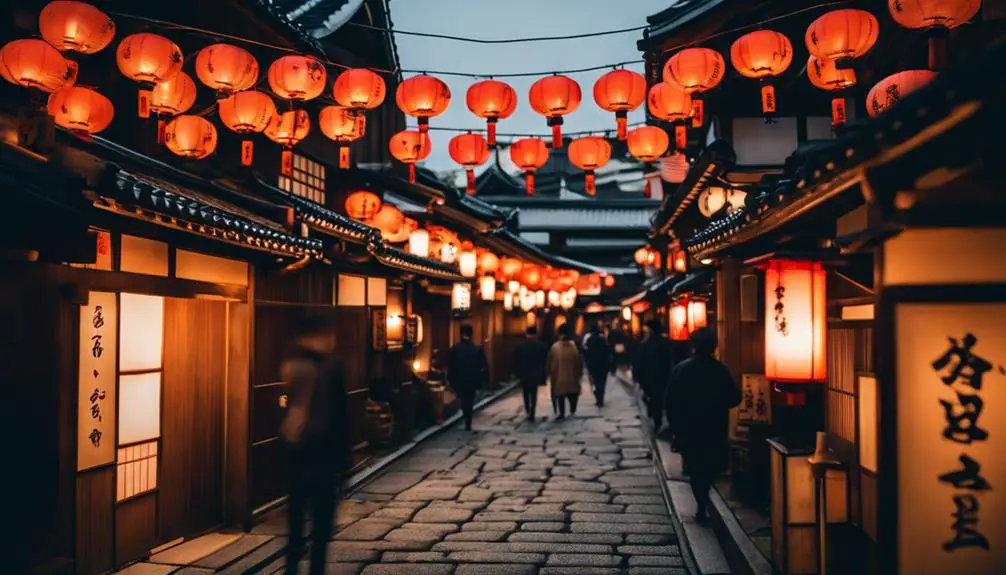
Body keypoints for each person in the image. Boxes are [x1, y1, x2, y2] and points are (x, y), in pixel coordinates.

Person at [280, 313, 351, 575]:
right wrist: (345, 460)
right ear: (322, 335)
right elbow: (340, 415)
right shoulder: (331, 367)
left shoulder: (291, 362)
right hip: (323, 455)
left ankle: (291, 569)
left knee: (296, 525)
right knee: (320, 530)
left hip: (296, 453)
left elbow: (281, 408)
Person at [665, 327, 741, 523]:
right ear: (714, 346)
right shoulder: (720, 370)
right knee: (709, 467)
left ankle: (701, 504)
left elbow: (671, 401)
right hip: (714, 427)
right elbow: (734, 398)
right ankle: (702, 502)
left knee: (696, 467)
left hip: (689, 428)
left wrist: (675, 428)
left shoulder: (682, 369)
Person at [634, 319, 674, 431]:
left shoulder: (645, 344)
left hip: (648, 378)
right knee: (659, 400)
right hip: (662, 377)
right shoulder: (665, 343)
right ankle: (657, 421)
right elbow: (668, 362)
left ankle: (655, 421)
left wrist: (637, 377)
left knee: (652, 400)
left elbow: (639, 363)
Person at [448, 324, 489, 431]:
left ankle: (466, 416)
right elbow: (483, 365)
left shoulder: (455, 349)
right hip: (472, 379)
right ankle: (468, 420)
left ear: (461, 334)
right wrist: (482, 380)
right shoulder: (477, 348)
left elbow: (451, 365)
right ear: (471, 334)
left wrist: (450, 379)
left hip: (459, 378)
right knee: (469, 400)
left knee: (463, 398)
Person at [547, 322, 582, 419]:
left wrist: (549, 372)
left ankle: (562, 412)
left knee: (560, 394)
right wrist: (578, 373)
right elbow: (578, 362)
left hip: (558, 376)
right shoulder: (573, 347)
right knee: (572, 393)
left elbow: (550, 362)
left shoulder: (555, 347)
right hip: (572, 376)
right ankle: (572, 410)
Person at [513, 325, 548, 421]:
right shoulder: (541, 346)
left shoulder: (520, 346)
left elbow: (516, 360)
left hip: (524, 373)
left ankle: (528, 410)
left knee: (525, 392)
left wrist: (516, 373)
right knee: (534, 393)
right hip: (536, 373)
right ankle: (532, 411)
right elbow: (544, 360)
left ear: (526, 334)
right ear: (536, 334)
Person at [584, 321, 611, 407]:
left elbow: (587, 353)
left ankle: (598, 398)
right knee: (601, 382)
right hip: (602, 365)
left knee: (595, 382)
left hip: (593, 365)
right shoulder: (602, 340)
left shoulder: (589, 340)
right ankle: (601, 398)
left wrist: (587, 365)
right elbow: (606, 352)